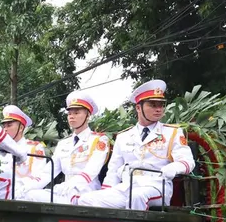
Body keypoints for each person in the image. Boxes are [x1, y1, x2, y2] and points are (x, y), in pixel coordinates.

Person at [75, 80, 195, 210]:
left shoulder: (172, 132)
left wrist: (173, 168)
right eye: (153, 105)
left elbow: (188, 161)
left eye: (161, 105)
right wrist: (106, 190)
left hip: (156, 186)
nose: (158, 109)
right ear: (138, 108)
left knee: (137, 197)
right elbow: (114, 169)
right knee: (86, 200)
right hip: (127, 186)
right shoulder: (123, 136)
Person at [24, 91, 110, 205]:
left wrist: (70, 185)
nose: (72, 116)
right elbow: (48, 172)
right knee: (30, 195)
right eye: (69, 113)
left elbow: (91, 171)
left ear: (88, 115)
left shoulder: (99, 140)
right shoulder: (63, 144)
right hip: (64, 193)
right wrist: (29, 186)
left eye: (76, 112)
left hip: (87, 194)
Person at [0, 105, 50, 200]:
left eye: (9, 125)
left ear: (21, 128)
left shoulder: (34, 147)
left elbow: (39, 177)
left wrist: (20, 188)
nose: (5, 129)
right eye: (4, 126)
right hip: (0, 195)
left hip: (24, 197)